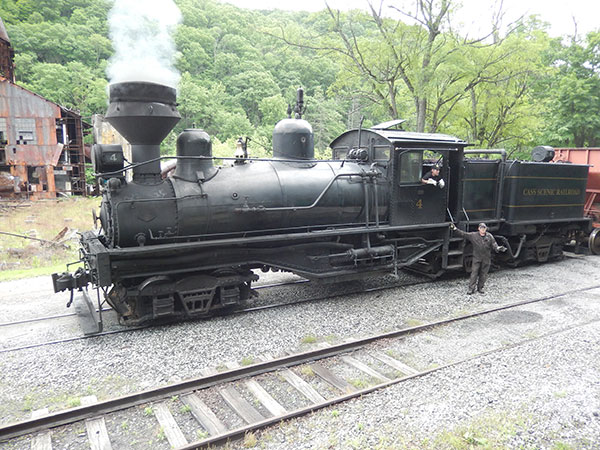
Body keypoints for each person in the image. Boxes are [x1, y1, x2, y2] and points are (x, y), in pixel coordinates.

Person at [450, 222, 507, 295]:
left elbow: (494, 244)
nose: (483, 230)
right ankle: (471, 288)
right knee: (474, 273)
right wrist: (455, 229)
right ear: (479, 229)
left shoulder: (489, 236)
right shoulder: (473, 235)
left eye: (484, 228)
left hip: (486, 258)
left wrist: (498, 248)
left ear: (486, 229)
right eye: (481, 228)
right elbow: (464, 234)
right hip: (477, 258)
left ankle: (480, 287)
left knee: (484, 274)